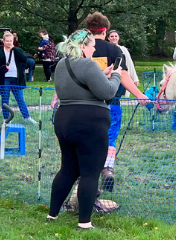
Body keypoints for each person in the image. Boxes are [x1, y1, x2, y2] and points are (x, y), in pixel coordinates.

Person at [47, 29, 121, 229]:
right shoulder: (88, 64)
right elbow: (107, 93)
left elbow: (81, 85)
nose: (94, 48)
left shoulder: (61, 65)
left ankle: (52, 214)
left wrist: (102, 75)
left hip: (64, 121)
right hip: (90, 123)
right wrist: (115, 76)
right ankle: (85, 222)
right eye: (91, 46)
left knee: (68, 169)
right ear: (82, 47)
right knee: (90, 172)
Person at [84, 12, 150, 191]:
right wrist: (139, 95)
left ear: (89, 31)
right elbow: (123, 75)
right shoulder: (114, 50)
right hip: (110, 103)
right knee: (110, 137)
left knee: (87, 139)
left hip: (85, 104)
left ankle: (86, 173)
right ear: (104, 31)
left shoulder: (81, 48)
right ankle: (108, 169)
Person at [0, 30, 32, 120]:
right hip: (4, 78)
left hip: (16, 79)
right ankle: (6, 118)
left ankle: (27, 117)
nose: (9, 43)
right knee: (5, 99)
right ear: (3, 41)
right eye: (7, 41)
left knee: (20, 99)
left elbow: (24, 59)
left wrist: (15, 49)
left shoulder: (18, 50)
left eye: (11, 41)